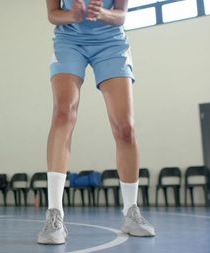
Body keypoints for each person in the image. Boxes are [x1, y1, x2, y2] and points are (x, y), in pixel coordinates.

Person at [38, 0, 155, 244]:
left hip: (111, 41)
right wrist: (73, 14)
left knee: (126, 129)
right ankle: (54, 214)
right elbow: (53, 14)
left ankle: (131, 212)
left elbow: (121, 16)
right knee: (63, 113)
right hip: (70, 40)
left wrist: (101, 13)